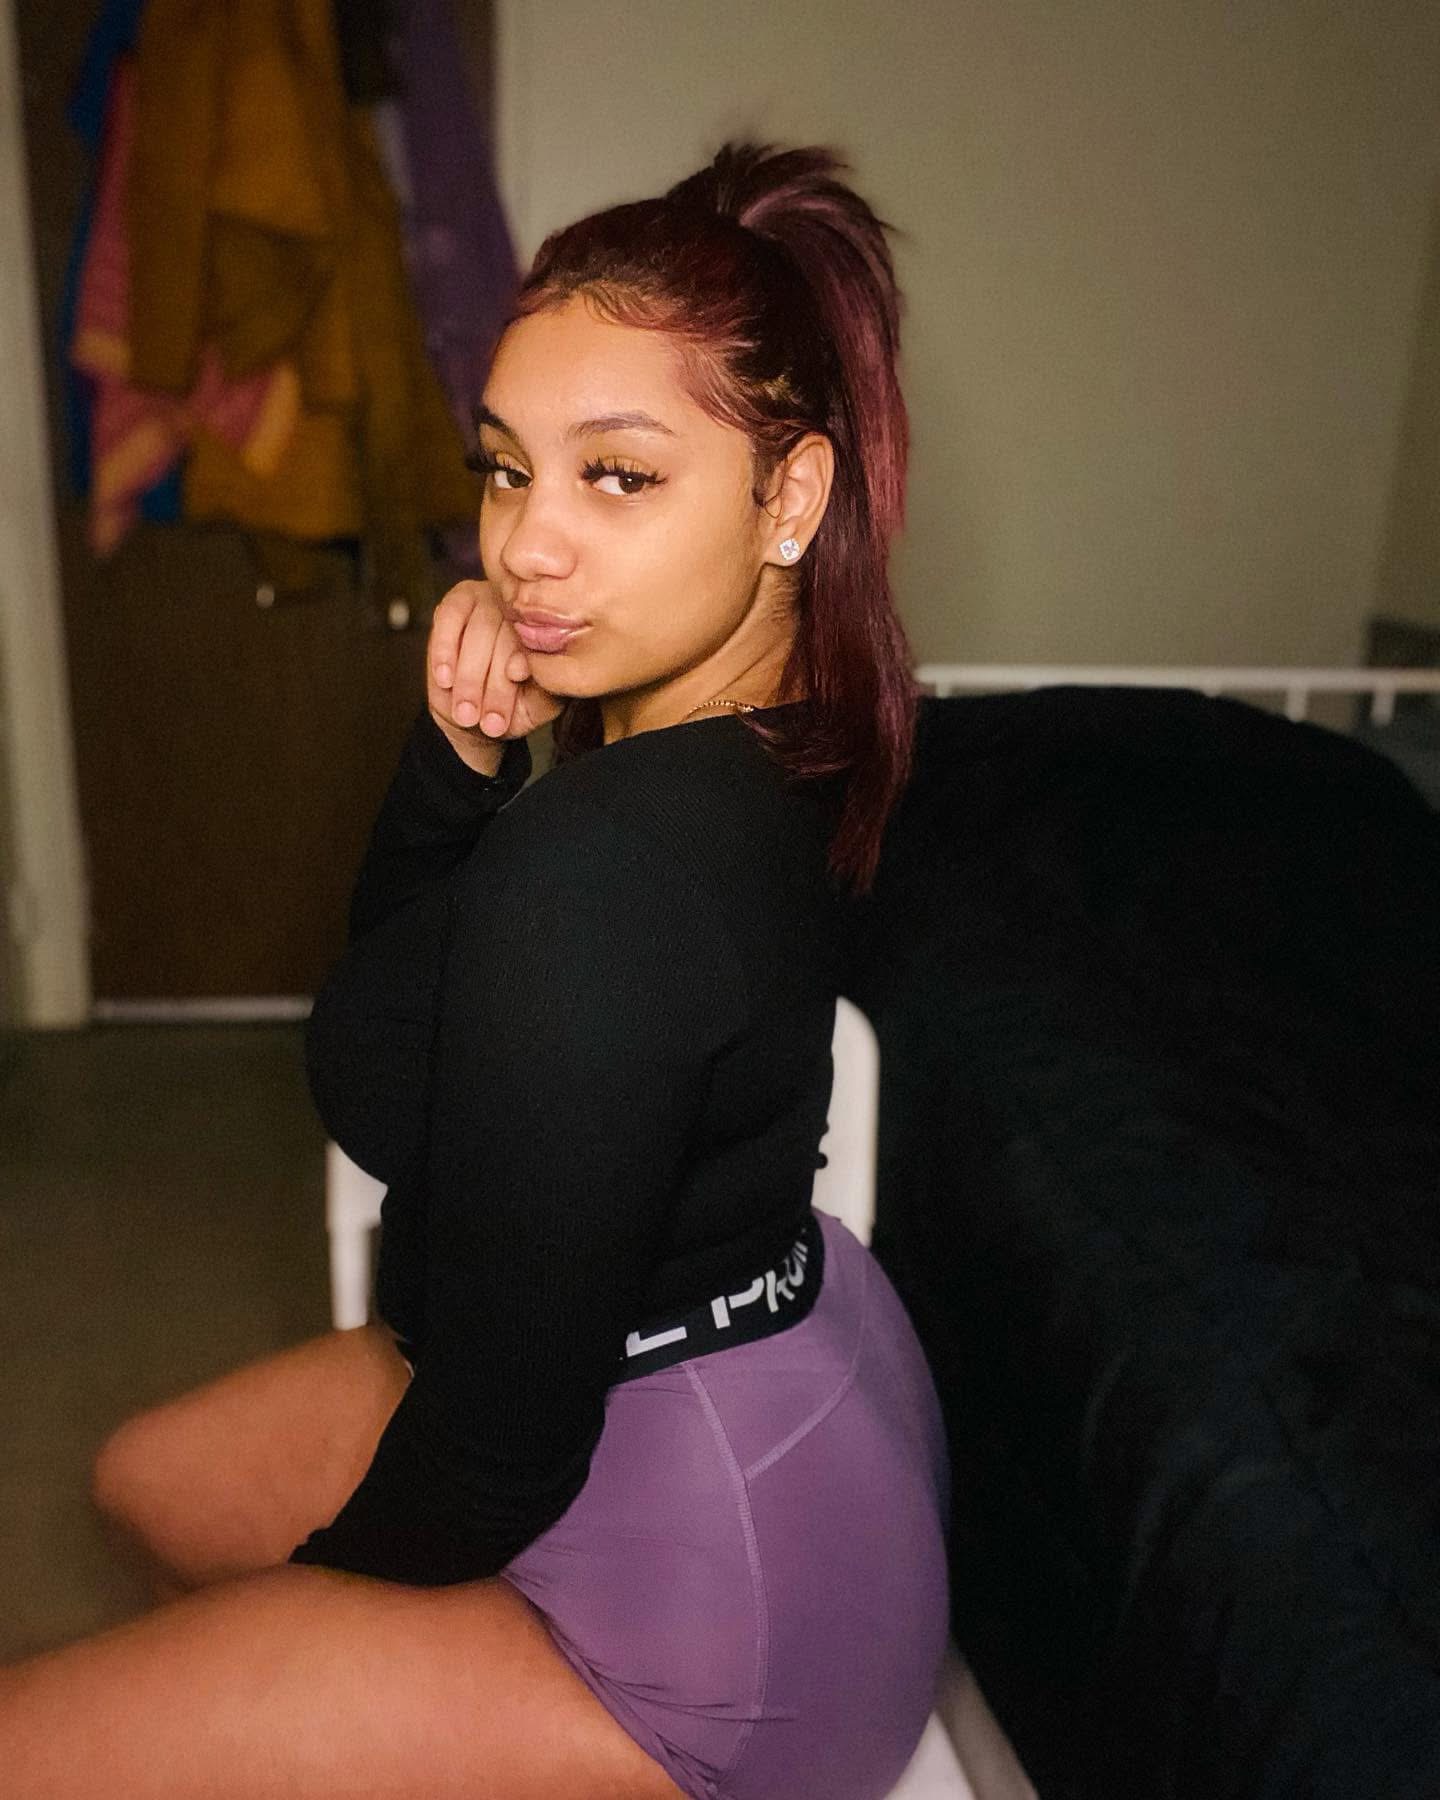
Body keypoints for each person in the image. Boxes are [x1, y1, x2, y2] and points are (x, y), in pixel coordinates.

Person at [1, 141, 951, 1799]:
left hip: (714, 1613)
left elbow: (494, 1445)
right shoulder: (770, 744)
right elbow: (398, 1061)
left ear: (792, 500)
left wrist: (301, 1622)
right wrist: (458, 765)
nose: (527, 550)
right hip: (759, 1384)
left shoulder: (609, 868)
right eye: (509, 471)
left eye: (619, 478)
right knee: (149, 1480)